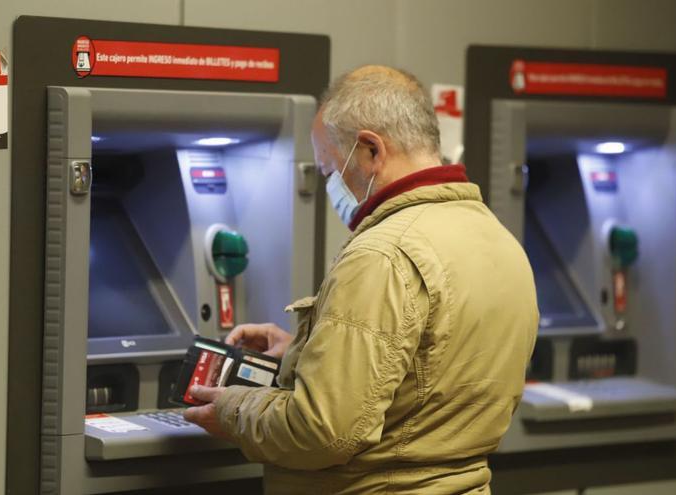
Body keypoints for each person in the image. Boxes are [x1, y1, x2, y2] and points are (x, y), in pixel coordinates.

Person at [184, 65, 539, 494]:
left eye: (330, 169)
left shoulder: (382, 255)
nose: (331, 183)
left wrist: (232, 408)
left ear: (371, 150)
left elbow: (322, 432)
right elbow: (423, 379)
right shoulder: (495, 238)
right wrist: (306, 355)